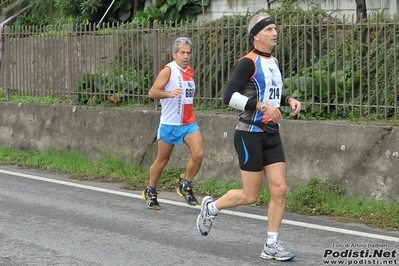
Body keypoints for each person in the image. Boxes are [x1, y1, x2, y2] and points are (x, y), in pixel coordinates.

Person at [196, 13, 301, 261]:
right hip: (249, 135)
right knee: (250, 196)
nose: (275, 33)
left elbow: (270, 93)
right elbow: (229, 97)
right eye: (269, 30)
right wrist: (262, 107)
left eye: (276, 29)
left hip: (272, 134)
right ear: (256, 35)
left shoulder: (274, 61)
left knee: (280, 188)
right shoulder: (247, 63)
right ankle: (211, 207)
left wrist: (287, 100)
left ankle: (271, 245)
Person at [142, 37, 204, 210]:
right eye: (182, 53)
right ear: (174, 54)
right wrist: (169, 94)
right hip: (170, 123)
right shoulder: (168, 70)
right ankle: (151, 191)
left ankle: (186, 186)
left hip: (188, 123)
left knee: (198, 154)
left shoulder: (190, 71)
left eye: (188, 53)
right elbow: (152, 92)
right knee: (162, 160)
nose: (185, 56)